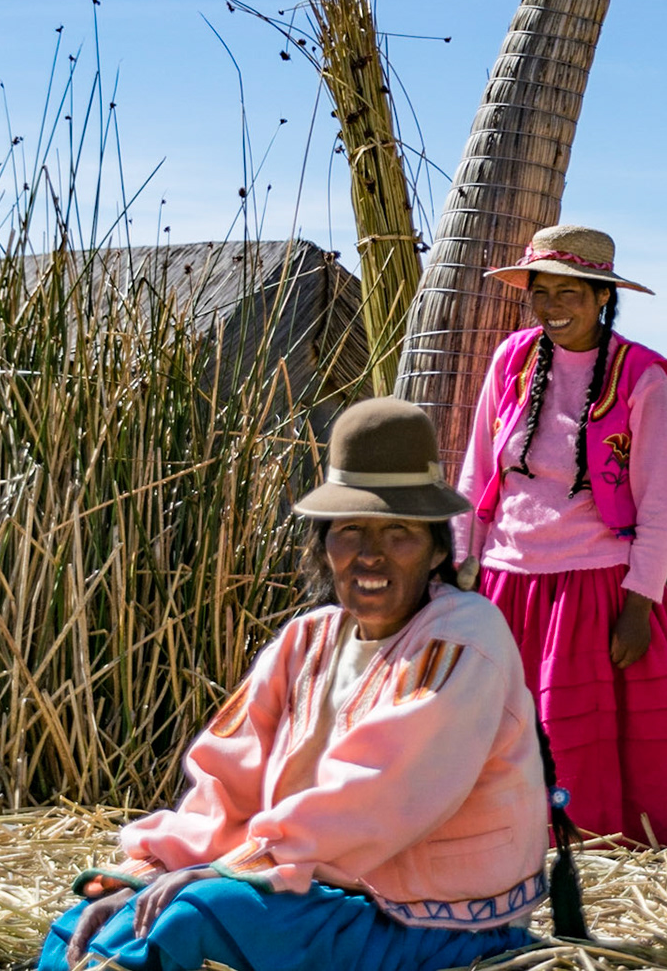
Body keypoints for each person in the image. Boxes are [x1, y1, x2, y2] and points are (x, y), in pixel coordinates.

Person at [40, 397, 582, 971]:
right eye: (350, 531)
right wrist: (158, 867)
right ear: (324, 546)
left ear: (438, 549)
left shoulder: (465, 639)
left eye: (399, 532)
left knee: (197, 914)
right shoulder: (308, 640)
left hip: (436, 921)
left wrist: (233, 868)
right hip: (320, 888)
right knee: (89, 919)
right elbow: (228, 781)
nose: (370, 555)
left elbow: (382, 791)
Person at [456, 224, 667, 848]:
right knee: (502, 731)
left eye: (570, 291)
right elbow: (478, 467)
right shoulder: (512, 360)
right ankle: (498, 843)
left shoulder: (643, 377)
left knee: (577, 742)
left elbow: (659, 500)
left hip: (594, 590)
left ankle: (587, 847)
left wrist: (639, 602)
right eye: (541, 292)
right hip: (506, 583)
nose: (552, 307)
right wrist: (462, 565)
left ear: (603, 296)